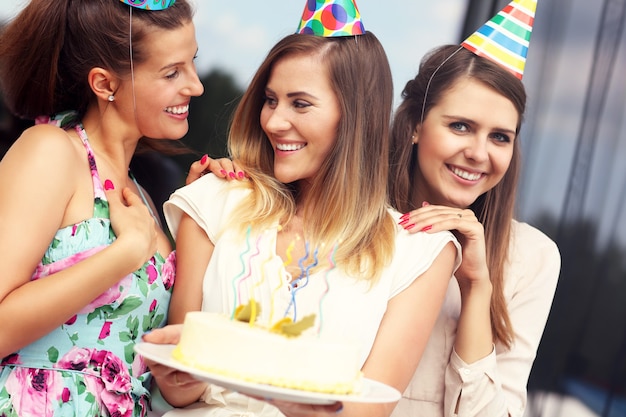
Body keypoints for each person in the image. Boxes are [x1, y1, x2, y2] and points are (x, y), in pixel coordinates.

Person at [142, 2, 461, 416]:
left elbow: (371, 409)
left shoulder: (418, 253)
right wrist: (174, 376)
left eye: (301, 104)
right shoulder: (215, 200)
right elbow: (180, 390)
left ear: (355, 117)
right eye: (271, 100)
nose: (274, 122)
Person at [0, 0, 204, 415]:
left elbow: (168, 363)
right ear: (104, 83)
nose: (196, 86)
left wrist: (202, 214)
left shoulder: (142, 195)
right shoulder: (51, 152)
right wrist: (123, 255)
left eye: (192, 63)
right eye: (172, 72)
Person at [386, 13, 560, 417]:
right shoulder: (360, 218)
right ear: (415, 124)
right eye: (461, 126)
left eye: (500, 137)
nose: (480, 154)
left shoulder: (531, 257)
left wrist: (477, 286)